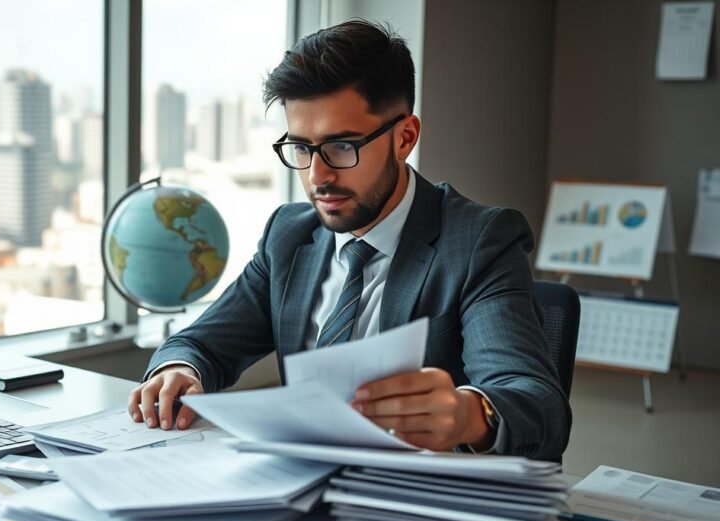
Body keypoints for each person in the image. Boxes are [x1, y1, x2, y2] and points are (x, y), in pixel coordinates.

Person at [128, 19, 570, 460]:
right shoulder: (289, 235)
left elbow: (538, 402)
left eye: (341, 146)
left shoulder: (478, 242)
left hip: (420, 505)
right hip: (297, 495)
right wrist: (178, 369)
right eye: (300, 148)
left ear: (405, 137)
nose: (317, 175)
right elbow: (201, 343)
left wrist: (466, 413)